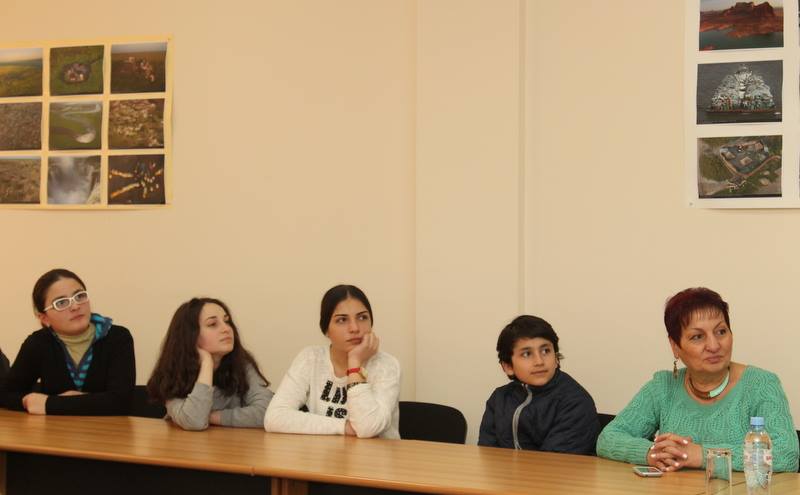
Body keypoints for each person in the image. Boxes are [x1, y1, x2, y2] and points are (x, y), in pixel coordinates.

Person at [597, 287, 799, 472]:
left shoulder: (761, 384)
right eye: (697, 337)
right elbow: (608, 438)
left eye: (721, 332)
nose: (714, 345)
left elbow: (787, 455)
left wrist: (702, 455)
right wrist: (653, 452)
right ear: (675, 346)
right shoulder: (663, 386)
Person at [265, 285, 400, 438]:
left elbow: (367, 428)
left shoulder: (386, 365)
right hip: (327, 452)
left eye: (362, 317)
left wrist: (354, 363)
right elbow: (274, 417)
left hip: (376, 453)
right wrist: (343, 427)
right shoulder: (310, 358)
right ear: (326, 330)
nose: (355, 328)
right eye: (342, 320)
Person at [1, 269, 135, 415]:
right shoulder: (38, 343)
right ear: (44, 318)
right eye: (61, 303)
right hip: (55, 428)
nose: (75, 306)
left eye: (80, 296)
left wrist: (49, 404)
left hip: (110, 429)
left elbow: (120, 402)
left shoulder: (117, 338)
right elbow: (6, 394)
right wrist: (27, 402)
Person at [478, 315, 599, 454]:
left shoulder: (575, 402)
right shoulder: (499, 398)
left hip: (554, 468)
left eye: (545, 351)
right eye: (526, 354)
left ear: (556, 358)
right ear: (508, 366)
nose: (539, 361)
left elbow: (553, 462)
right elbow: (487, 455)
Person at [147, 297, 273, 431]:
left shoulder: (242, 364)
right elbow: (194, 422)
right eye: (212, 324)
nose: (226, 329)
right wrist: (206, 363)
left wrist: (210, 417)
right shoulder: (174, 373)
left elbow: (268, 413)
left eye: (227, 321)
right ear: (190, 336)